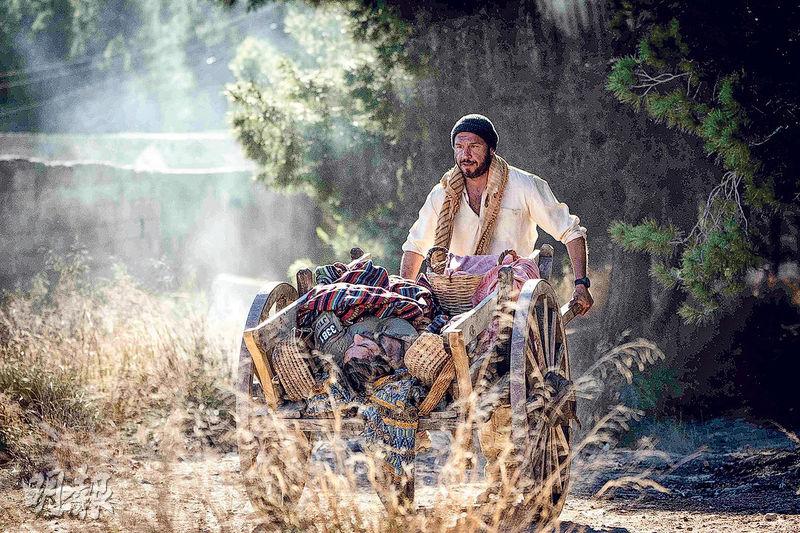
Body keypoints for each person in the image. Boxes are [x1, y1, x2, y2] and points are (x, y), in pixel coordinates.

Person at [399, 113, 593, 316]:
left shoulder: (524, 185)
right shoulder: (442, 194)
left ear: (491, 150)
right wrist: (405, 295)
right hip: (456, 296)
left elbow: (571, 231)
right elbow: (415, 246)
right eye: (459, 147)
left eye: (474, 146)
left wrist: (581, 284)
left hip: (510, 296)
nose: (465, 155)